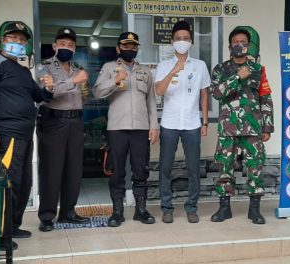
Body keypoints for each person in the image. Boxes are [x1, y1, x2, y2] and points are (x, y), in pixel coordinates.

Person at [0, 21, 53, 250]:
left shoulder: (21, 70)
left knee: (22, 182)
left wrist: (48, 87)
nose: (18, 42)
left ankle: (13, 225)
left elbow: (39, 96)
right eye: (13, 38)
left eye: (22, 39)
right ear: (3, 40)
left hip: (25, 134)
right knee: (8, 183)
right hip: (6, 133)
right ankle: (1, 235)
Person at [93, 32, 158, 227]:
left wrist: (153, 125)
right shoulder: (109, 68)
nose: (130, 49)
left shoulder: (145, 71)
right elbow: (97, 92)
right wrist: (115, 80)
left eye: (133, 46)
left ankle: (140, 210)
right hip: (117, 128)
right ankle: (117, 212)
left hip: (140, 128)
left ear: (137, 48)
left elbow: (151, 101)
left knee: (141, 170)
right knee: (117, 171)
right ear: (118, 48)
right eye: (126, 46)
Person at [210, 27, 274, 224]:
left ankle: (254, 210)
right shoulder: (220, 69)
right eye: (236, 42)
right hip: (228, 128)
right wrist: (238, 76)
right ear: (230, 46)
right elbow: (217, 93)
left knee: (255, 167)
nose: (240, 45)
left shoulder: (258, 69)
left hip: (253, 127)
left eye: (244, 42)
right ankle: (224, 208)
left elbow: (266, 97)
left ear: (248, 46)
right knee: (225, 167)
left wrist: (267, 126)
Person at [154, 20, 210, 224]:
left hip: (193, 124)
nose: (182, 42)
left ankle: (192, 207)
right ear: (172, 41)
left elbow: (204, 94)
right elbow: (158, 91)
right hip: (169, 123)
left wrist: (205, 122)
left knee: (194, 168)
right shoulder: (164, 65)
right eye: (178, 39)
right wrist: (173, 71)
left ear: (191, 41)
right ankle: (167, 207)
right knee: (165, 168)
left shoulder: (200, 65)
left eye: (186, 39)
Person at [36, 27, 90, 232]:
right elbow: (47, 93)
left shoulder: (78, 68)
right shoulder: (44, 68)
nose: (67, 47)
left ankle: (68, 212)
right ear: (54, 46)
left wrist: (80, 84)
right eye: (63, 44)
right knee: (51, 170)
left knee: (73, 170)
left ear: (75, 48)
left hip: (75, 122)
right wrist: (73, 81)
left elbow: (82, 96)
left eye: (71, 45)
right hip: (53, 122)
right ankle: (47, 216)